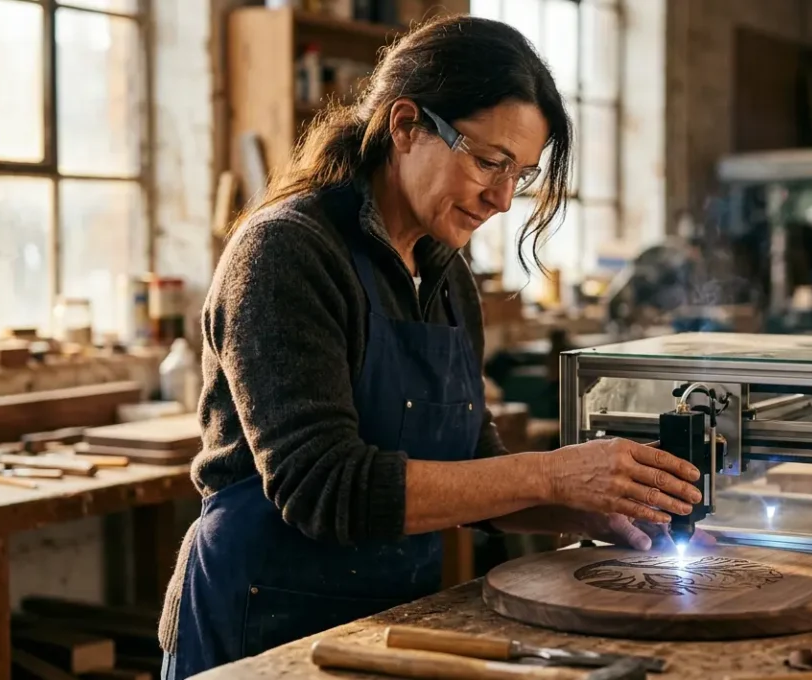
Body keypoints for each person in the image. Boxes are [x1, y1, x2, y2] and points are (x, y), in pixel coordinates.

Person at [156, 14, 707, 680]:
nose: (503, 199)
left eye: (521, 174)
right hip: (260, 622)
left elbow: (474, 468)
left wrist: (595, 505)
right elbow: (326, 489)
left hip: (386, 622)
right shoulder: (287, 253)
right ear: (406, 125)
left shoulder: (447, 276)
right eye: (489, 162)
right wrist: (555, 472)